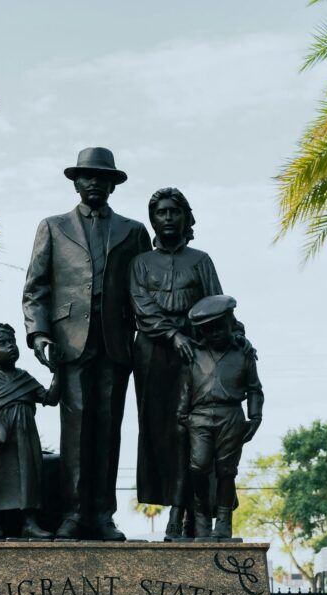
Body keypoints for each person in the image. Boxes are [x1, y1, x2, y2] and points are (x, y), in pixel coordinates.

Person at [23, 147, 151, 540]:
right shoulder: (53, 226)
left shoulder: (133, 232)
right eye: (87, 176)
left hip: (116, 343)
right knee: (75, 429)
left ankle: (103, 515)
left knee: (109, 430)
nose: (94, 182)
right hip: (70, 344)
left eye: (102, 176)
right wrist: (39, 332)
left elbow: (146, 288)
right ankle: (74, 513)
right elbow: (36, 288)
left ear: (113, 184)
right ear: (76, 182)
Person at [129, 187, 224, 540]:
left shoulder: (201, 260)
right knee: (159, 433)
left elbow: (216, 303)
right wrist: (173, 335)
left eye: (174, 212)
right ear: (152, 219)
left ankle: (186, 513)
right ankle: (170, 503)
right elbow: (142, 307)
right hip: (153, 353)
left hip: (196, 353)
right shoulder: (140, 263)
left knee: (192, 432)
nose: (167, 218)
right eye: (161, 213)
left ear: (185, 217)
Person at [177, 295, 264, 539]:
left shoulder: (243, 353)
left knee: (227, 470)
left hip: (231, 415)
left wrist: (255, 418)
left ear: (230, 323)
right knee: (198, 467)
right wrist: (182, 415)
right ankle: (201, 516)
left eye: (219, 326)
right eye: (208, 328)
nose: (214, 332)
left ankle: (224, 521)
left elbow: (255, 389)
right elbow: (186, 386)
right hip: (200, 417)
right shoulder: (194, 354)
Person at [0, 322, 58, 540]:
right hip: (0, 438)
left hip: (26, 436)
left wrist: (59, 371)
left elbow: (49, 398)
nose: (10, 346)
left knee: (29, 475)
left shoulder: (24, 378)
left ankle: (30, 522)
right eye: (2, 343)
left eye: (12, 342)